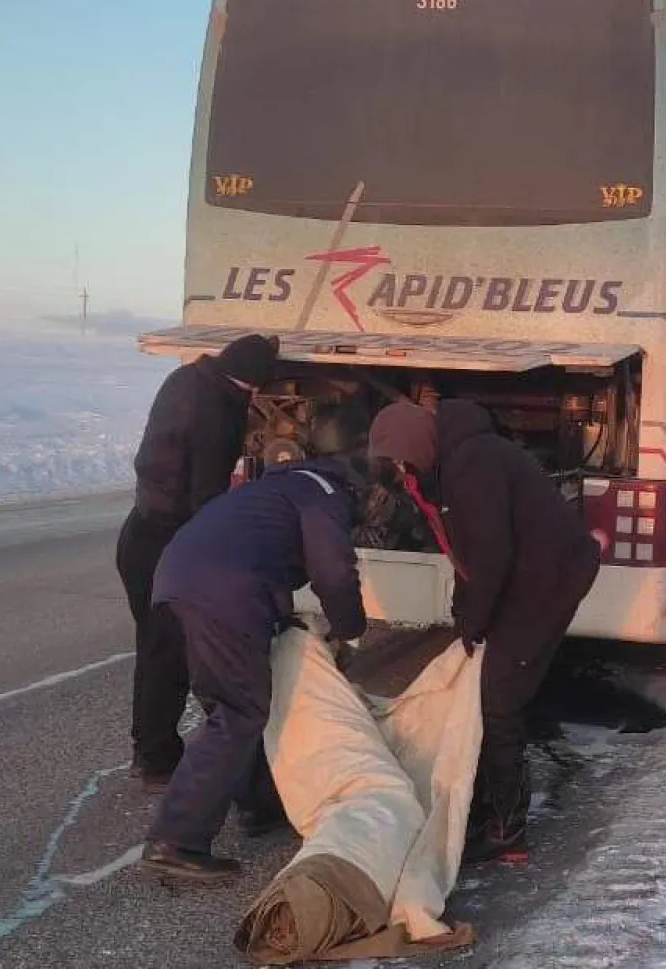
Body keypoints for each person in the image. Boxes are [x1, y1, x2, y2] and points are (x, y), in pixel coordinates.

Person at [139, 402, 370, 882]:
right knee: (241, 712)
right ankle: (177, 839)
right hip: (222, 592)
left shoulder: (281, 485)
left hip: (177, 579)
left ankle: (258, 805)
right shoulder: (326, 494)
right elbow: (333, 570)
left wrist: (284, 619)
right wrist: (349, 629)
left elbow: (258, 547)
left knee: (229, 706)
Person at [366, 398, 601, 865]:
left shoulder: (472, 464)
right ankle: (487, 806)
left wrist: (475, 623)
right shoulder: (454, 464)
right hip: (528, 574)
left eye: (400, 462)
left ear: (414, 445)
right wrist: (464, 617)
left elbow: (491, 557)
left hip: (547, 579)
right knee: (488, 691)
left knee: (499, 702)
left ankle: (507, 829)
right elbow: (467, 553)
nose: (401, 472)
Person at [117, 333, 280, 792]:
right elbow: (206, 496)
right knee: (172, 651)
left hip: (139, 531)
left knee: (154, 646)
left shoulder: (185, 379)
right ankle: (158, 763)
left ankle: (150, 752)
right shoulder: (214, 409)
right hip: (169, 541)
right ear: (248, 383)